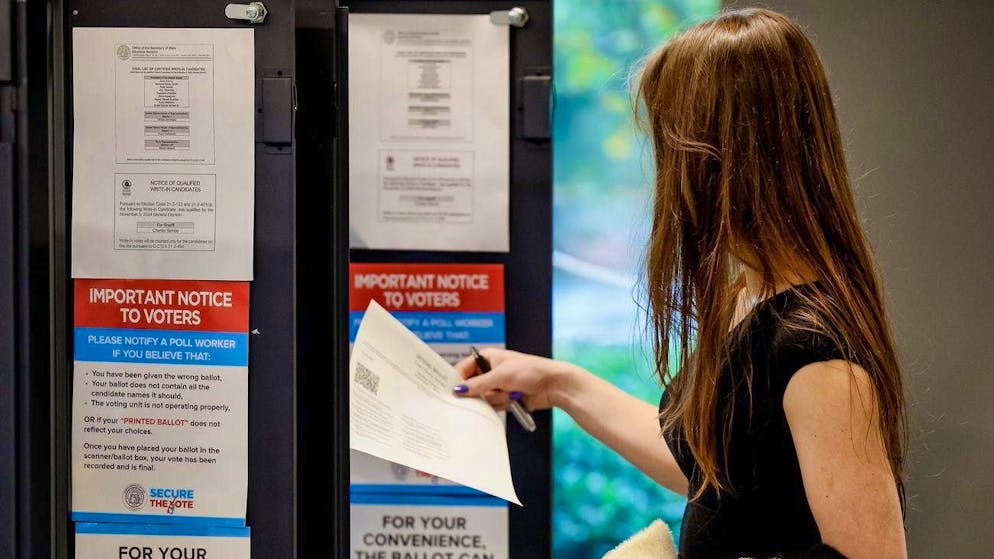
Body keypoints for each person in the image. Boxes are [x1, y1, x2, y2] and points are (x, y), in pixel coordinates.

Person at [453, 8, 907, 559]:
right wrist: (558, 384)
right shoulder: (751, 295)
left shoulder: (817, 355)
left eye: (672, 148)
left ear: (720, 159)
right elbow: (711, 468)